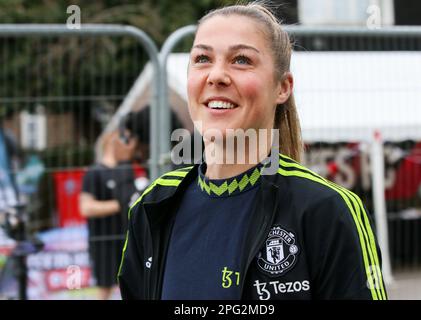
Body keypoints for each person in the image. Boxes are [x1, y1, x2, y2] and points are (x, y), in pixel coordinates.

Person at [118, 2, 387, 300]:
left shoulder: (327, 209)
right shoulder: (153, 206)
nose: (216, 75)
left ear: (282, 88)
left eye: (241, 60)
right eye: (203, 58)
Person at [79, 130, 137, 300]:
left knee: (133, 286)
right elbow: (86, 208)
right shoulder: (94, 172)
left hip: (126, 239)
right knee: (104, 289)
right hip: (103, 240)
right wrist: (121, 205)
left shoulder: (126, 170)